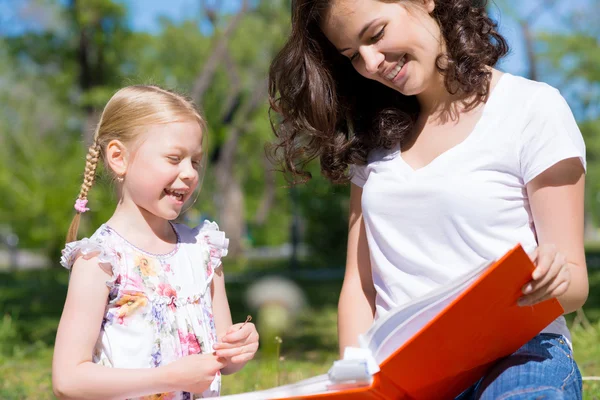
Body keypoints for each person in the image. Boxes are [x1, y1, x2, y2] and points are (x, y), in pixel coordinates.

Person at [268, 0, 588, 398]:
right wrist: (354, 378)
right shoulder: (375, 145)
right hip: (404, 367)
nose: (370, 63)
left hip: (516, 354)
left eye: (375, 34)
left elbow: (575, 283)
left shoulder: (532, 109)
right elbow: (360, 285)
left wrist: (549, 278)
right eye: (352, 55)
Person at [52, 85, 259, 400]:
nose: (189, 173)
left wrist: (237, 348)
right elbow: (68, 380)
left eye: (195, 161)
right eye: (174, 158)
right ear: (119, 158)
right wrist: (165, 378)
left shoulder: (203, 252)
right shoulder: (101, 260)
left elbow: (220, 359)